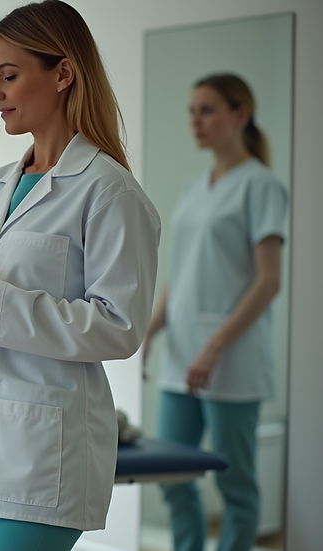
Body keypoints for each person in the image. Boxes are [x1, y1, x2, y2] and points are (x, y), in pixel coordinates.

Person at [0, 2, 160, 549]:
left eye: (8, 75)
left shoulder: (109, 192)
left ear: (63, 74)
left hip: (43, 456)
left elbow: (118, 327)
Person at [142, 74, 287, 551]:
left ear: (240, 114)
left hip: (232, 358)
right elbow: (181, 273)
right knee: (171, 475)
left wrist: (214, 347)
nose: (195, 121)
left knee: (235, 483)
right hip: (181, 354)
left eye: (206, 110)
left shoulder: (261, 186)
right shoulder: (193, 187)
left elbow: (268, 281)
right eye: (191, 111)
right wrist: (150, 332)